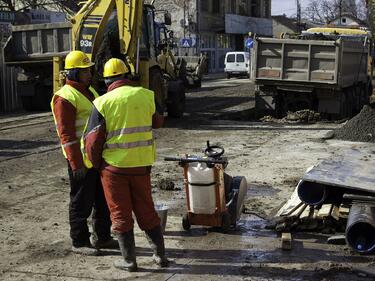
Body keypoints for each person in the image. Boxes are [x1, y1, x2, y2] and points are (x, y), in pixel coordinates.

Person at [84, 58, 168, 271]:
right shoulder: (146, 95)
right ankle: (160, 256)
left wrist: (96, 165)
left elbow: (93, 141)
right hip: (141, 166)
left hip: (114, 169)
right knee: (147, 210)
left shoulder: (102, 103)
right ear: (127, 76)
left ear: (106, 80)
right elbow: (158, 122)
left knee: (120, 213)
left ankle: (129, 261)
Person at [51, 50, 117, 255]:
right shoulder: (65, 97)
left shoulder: (92, 92)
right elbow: (67, 135)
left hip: (95, 158)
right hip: (80, 160)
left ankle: (103, 237)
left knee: (101, 199)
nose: (90, 74)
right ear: (72, 74)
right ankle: (79, 241)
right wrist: (75, 163)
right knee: (81, 201)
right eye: (84, 71)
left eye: (89, 70)